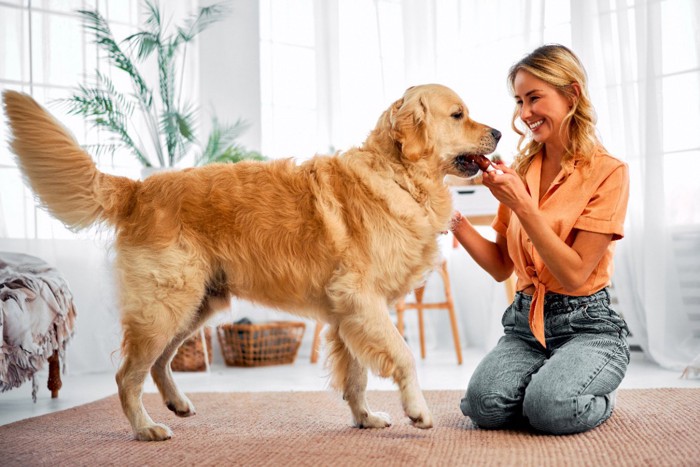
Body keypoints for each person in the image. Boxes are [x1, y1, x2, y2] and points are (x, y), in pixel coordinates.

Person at [451, 44, 630, 435]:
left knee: (551, 409)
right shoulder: (521, 169)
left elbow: (575, 275)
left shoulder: (609, 173)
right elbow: (501, 266)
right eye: (519, 101)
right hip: (526, 323)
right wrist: (453, 220)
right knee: (481, 407)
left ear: (572, 95)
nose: (524, 113)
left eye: (534, 98)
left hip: (588, 324)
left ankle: (588, 389)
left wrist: (523, 206)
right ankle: (548, 385)